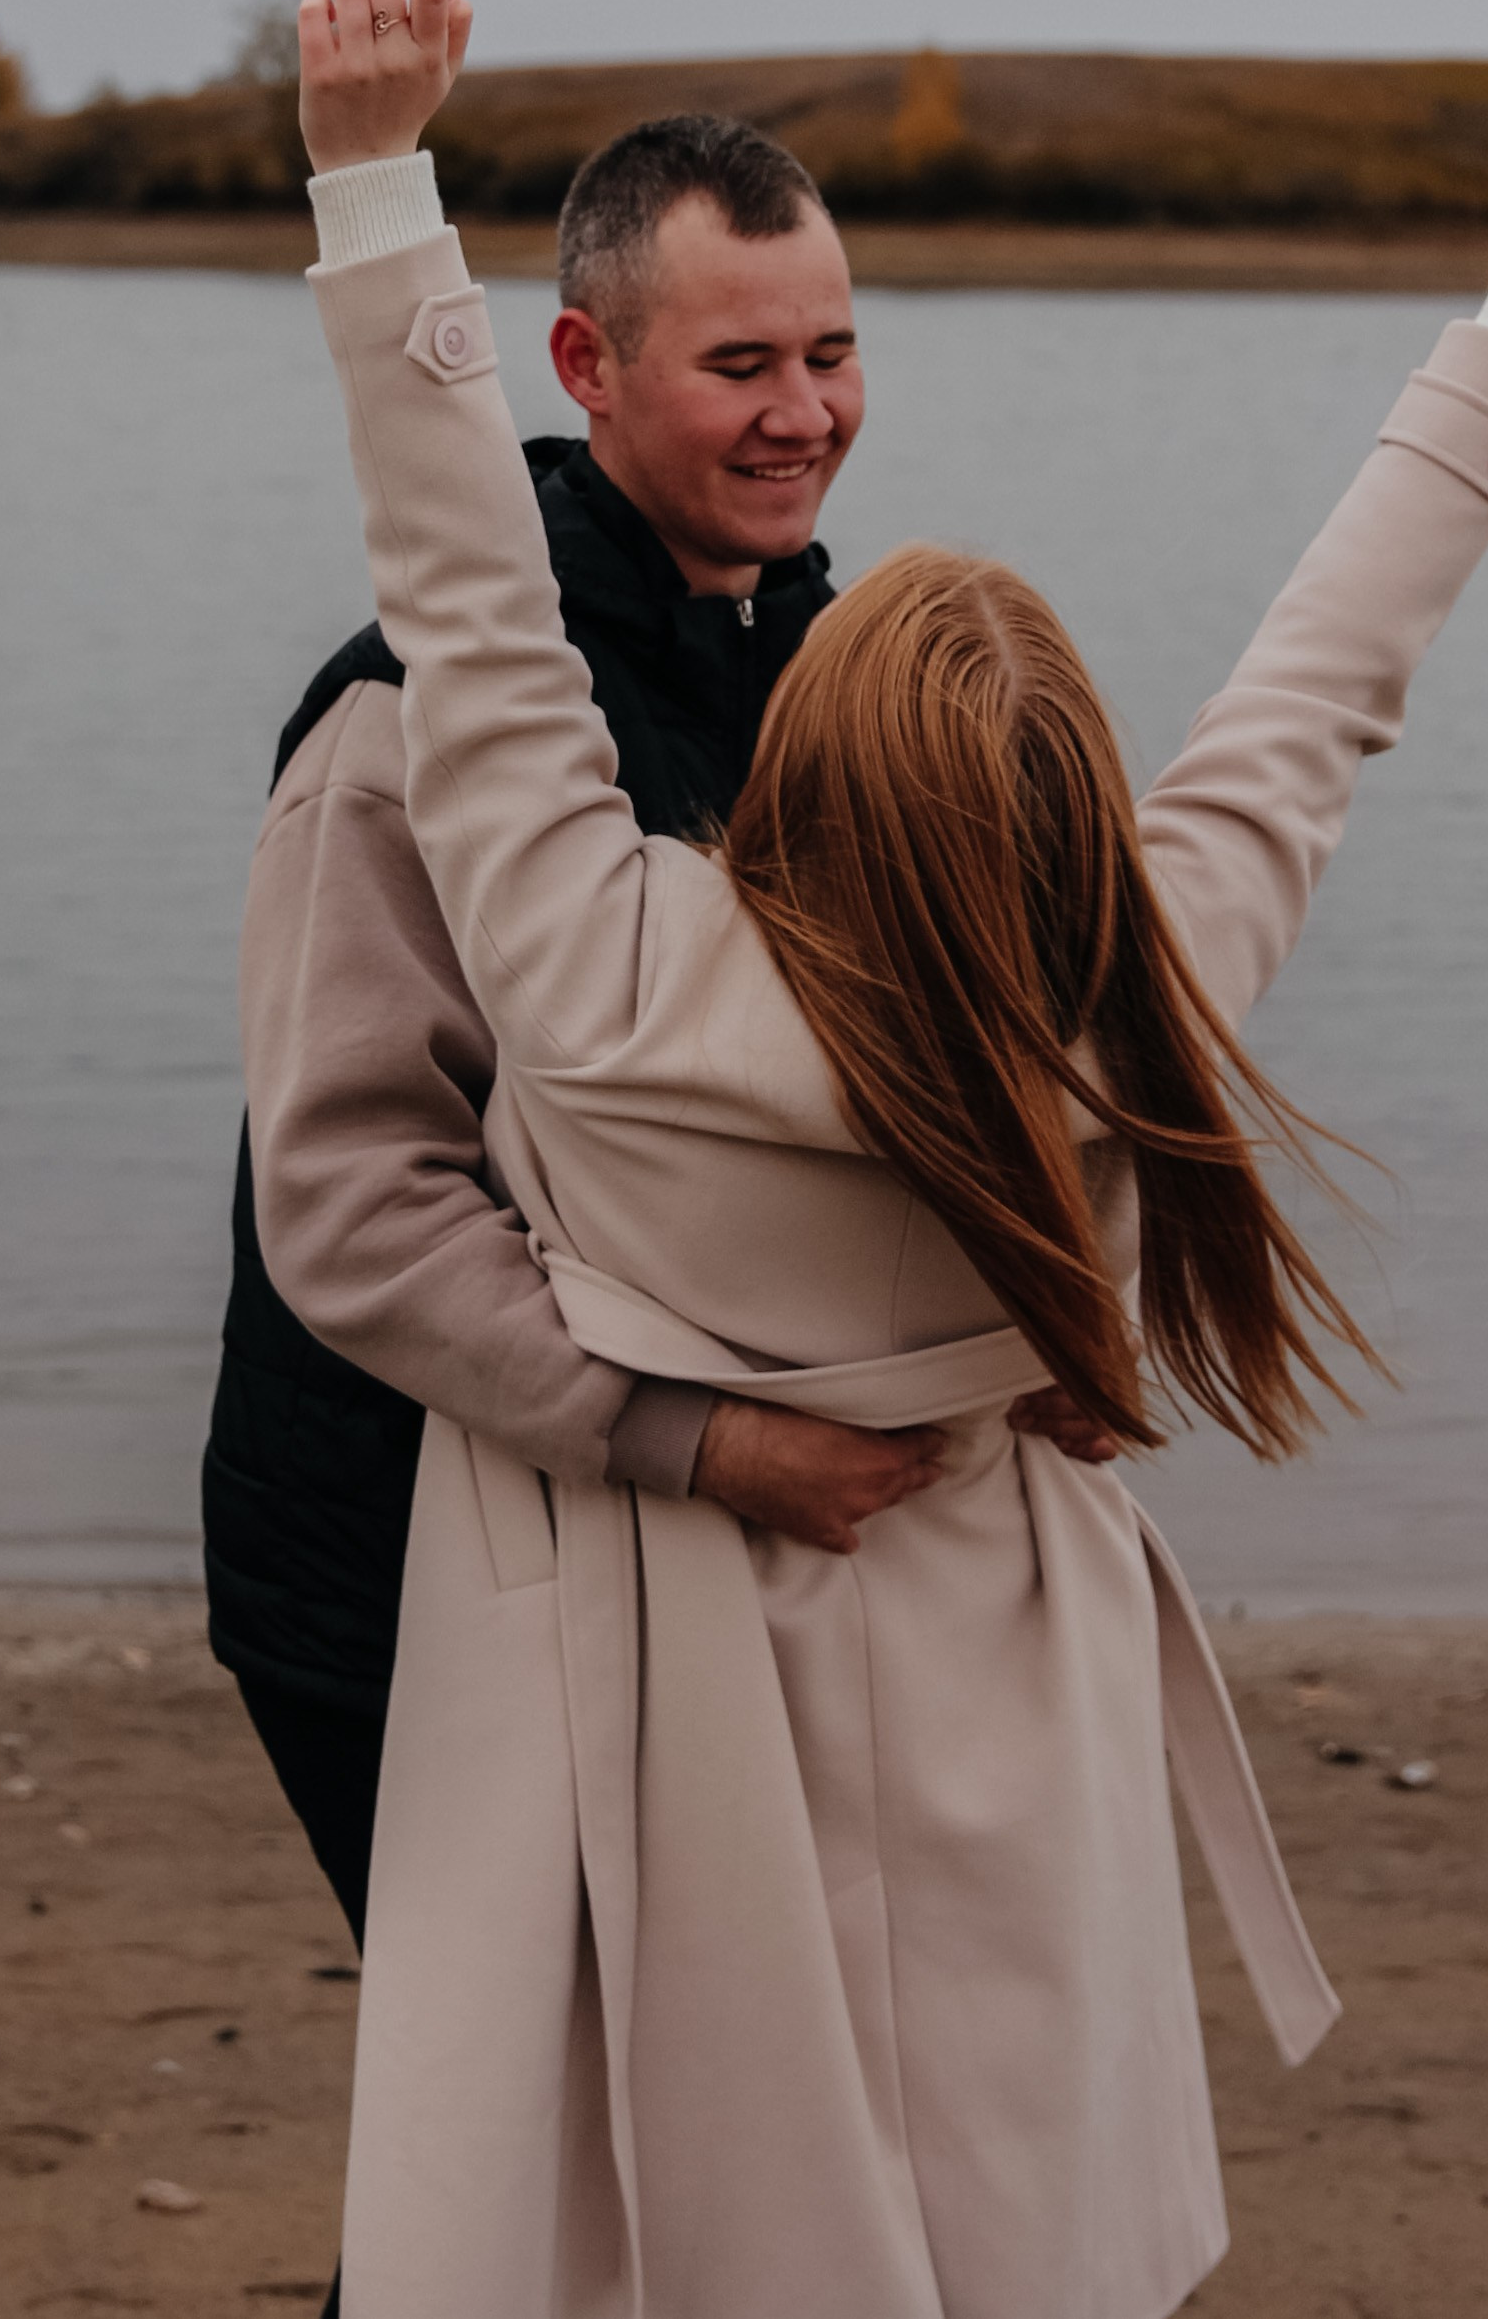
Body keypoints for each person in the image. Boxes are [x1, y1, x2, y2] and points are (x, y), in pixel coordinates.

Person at [289, 0, 1488, 2319]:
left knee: (700, 2200)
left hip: (687, 1655)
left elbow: (461, 578)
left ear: (788, 770)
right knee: (1007, 2172)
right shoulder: (1135, 981)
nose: (806, 413)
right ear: (1065, 797)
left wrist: (368, 177)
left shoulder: (604, 962)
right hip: (991, 1618)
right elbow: (1323, 675)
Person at [204, 108, 1119, 1957]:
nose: (807, 413)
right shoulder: (400, 724)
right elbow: (350, 1203)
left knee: (657, 2142)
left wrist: (1039, 1324)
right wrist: (691, 1436)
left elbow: (904, 1083)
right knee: (526, 2145)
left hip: (678, 1547)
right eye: (743, 364)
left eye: (834, 351)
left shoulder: (840, 678)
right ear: (584, 365)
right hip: (397, 1551)